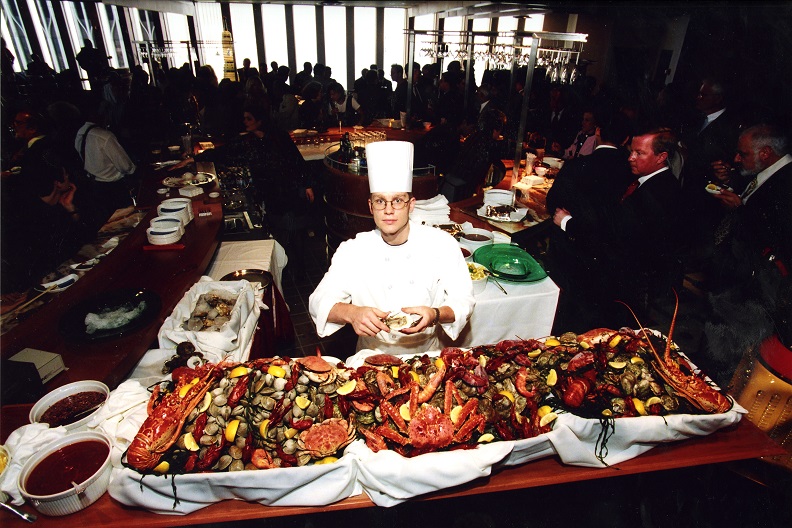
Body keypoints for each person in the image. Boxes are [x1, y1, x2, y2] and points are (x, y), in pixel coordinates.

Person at [309, 141, 475, 354]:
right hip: (371, 356)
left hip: (427, 355)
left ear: (411, 205)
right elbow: (317, 302)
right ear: (370, 206)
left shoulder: (441, 244)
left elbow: (464, 301)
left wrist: (435, 314)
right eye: (380, 201)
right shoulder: (353, 251)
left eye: (397, 200)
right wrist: (351, 312)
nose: (389, 210)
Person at [553, 128, 684, 326]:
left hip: (625, 281)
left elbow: (611, 237)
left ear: (661, 157)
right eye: (631, 151)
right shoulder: (653, 182)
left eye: (639, 153)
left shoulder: (657, 193)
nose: (631, 157)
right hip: (626, 274)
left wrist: (567, 223)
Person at [699, 123, 792, 385]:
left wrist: (740, 209)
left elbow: (776, 234)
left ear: (765, 153)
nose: (736, 158)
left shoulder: (787, 182)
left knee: (726, 354)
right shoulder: (769, 171)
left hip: (752, 290)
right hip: (734, 280)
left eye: (743, 154)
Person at [172, 104, 314, 267]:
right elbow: (223, 152)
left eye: (249, 118)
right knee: (281, 229)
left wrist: (307, 185)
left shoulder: (279, 137)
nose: (245, 122)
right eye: (244, 118)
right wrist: (194, 159)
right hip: (271, 194)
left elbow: (297, 160)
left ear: (260, 120)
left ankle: (300, 267)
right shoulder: (248, 141)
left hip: (291, 190)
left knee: (296, 230)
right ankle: (286, 265)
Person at [545, 112, 634, 331]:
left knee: (565, 316)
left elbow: (552, 204)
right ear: (625, 140)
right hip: (609, 264)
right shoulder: (631, 170)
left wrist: (568, 221)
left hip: (570, 256)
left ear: (597, 132)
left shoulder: (578, 166)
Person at [74, 102, 137, 226]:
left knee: (107, 226)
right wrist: (134, 169)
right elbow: (126, 166)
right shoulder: (104, 136)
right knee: (125, 224)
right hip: (114, 188)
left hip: (94, 186)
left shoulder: (80, 134)